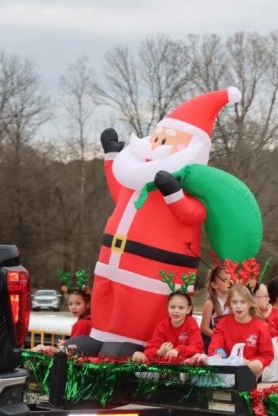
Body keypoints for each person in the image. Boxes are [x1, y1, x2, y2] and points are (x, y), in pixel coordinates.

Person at [78, 88, 241, 358]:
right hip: (111, 263)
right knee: (107, 300)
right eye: (156, 137)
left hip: (151, 271)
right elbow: (118, 191)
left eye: (166, 140)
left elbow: (194, 215)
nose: (155, 144)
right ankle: (100, 335)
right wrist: (111, 158)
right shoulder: (135, 182)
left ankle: (131, 341)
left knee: (136, 306)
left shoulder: (185, 191)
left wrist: (173, 193)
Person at [209, 284, 274, 379]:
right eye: (234, 302)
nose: (238, 306)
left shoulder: (260, 326)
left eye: (243, 302)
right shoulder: (223, 324)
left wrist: (247, 362)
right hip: (228, 366)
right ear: (229, 304)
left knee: (257, 365)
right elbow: (215, 349)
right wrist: (226, 359)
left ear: (249, 304)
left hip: (250, 367)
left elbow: (267, 355)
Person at [131, 292, 203, 363]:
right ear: (167, 308)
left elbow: (197, 347)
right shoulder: (162, 325)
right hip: (165, 363)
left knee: (198, 356)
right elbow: (149, 349)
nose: (176, 311)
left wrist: (178, 350)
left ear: (188, 310)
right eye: (172, 307)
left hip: (184, 363)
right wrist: (159, 352)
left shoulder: (191, 323)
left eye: (181, 308)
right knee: (138, 355)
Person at [200, 265, 231, 353]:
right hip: (212, 344)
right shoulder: (210, 304)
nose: (228, 282)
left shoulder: (233, 302)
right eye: (225, 280)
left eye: (230, 279)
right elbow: (204, 328)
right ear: (214, 285)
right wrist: (220, 337)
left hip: (228, 343)